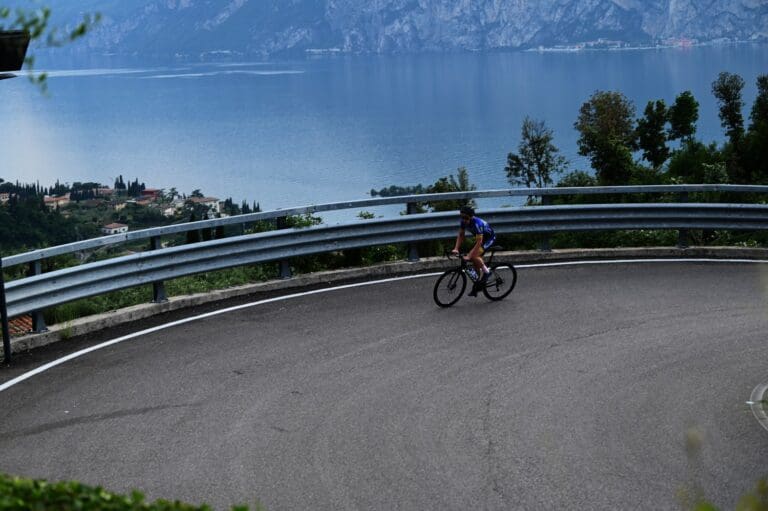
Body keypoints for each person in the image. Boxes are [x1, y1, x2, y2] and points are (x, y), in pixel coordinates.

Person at [451, 205, 496, 297]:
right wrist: (456, 248)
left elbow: (479, 242)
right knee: (475, 264)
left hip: (488, 239)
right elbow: (461, 236)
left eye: (466, 218)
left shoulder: (477, 224)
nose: (464, 220)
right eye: (462, 217)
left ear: (471, 216)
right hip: (480, 239)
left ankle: (487, 272)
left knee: (474, 256)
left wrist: (469, 255)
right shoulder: (463, 222)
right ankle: (477, 286)